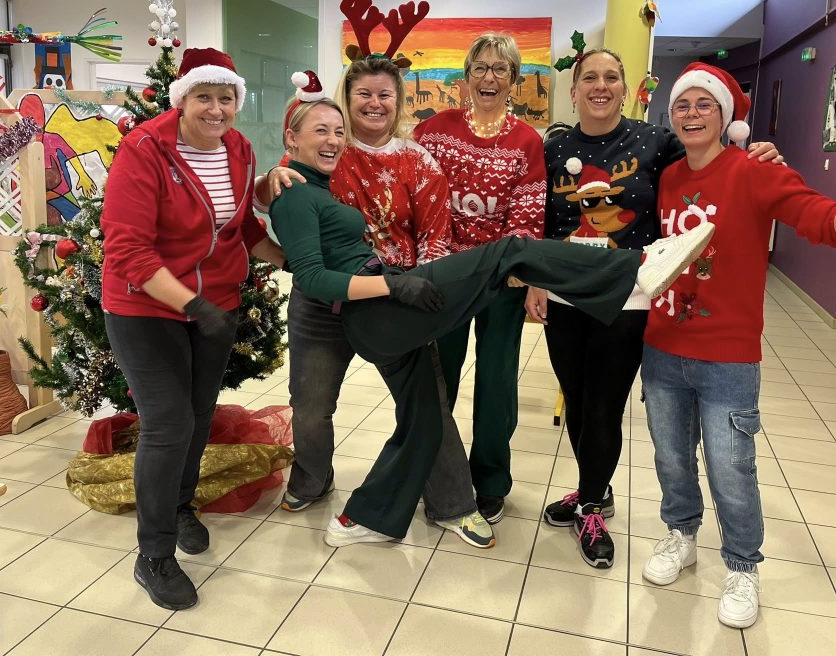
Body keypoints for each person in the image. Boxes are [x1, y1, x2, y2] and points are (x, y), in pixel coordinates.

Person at [268, 91, 717, 548]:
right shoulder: (294, 195)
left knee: (426, 420)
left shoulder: (312, 183)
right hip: (380, 307)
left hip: (385, 301)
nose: (333, 139)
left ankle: (363, 518)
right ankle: (637, 267)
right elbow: (312, 278)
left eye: (337, 131)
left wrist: (273, 176)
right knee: (510, 252)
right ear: (292, 138)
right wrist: (391, 286)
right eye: (320, 131)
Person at [640, 62, 836, 629]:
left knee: (732, 468)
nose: (691, 114)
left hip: (728, 356)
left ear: (725, 116)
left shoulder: (755, 172)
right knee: (670, 457)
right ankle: (681, 535)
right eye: (682, 104)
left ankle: (742, 566)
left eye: (704, 104)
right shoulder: (669, 177)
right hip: (662, 344)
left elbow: (831, 226)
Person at [525, 48, 782, 570]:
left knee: (604, 406)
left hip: (628, 298)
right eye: (590, 78)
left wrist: (753, 152)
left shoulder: (656, 142)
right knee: (577, 401)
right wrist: (533, 279)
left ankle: (591, 508)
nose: (601, 86)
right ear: (574, 90)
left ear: (626, 89)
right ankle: (594, 487)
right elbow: (541, 218)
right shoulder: (554, 148)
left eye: (611, 77)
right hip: (564, 295)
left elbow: (709, 161)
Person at [257, 59, 496, 549]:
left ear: (398, 101)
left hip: (394, 301)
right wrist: (269, 179)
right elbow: (267, 201)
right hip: (321, 303)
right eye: (363, 93)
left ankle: (453, 502)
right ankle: (312, 479)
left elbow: (435, 238)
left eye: (384, 94)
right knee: (310, 403)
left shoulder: (417, 162)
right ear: (347, 98)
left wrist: (418, 296)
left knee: (427, 403)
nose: (374, 104)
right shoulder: (324, 148)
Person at [101, 48, 285, 611]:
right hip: (144, 307)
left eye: (226, 97)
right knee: (168, 423)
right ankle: (153, 555)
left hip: (214, 304)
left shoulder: (239, 149)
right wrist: (192, 304)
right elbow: (128, 249)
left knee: (199, 413)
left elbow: (242, 226)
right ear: (181, 100)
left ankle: (181, 506)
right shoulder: (144, 150)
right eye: (204, 96)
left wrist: (290, 259)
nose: (216, 109)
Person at [413, 33, 546, 524]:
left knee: (496, 383)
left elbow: (528, 214)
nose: (489, 77)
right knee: (437, 380)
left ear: (513, 79)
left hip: (499, 283)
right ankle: (437, 475)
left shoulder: (527, 141)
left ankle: (490, 480)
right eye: (481, 68)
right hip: (444, 280)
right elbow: (417, 200)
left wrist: (510, 271)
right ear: (466, 76)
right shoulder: (433, 132)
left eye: (500, 68)